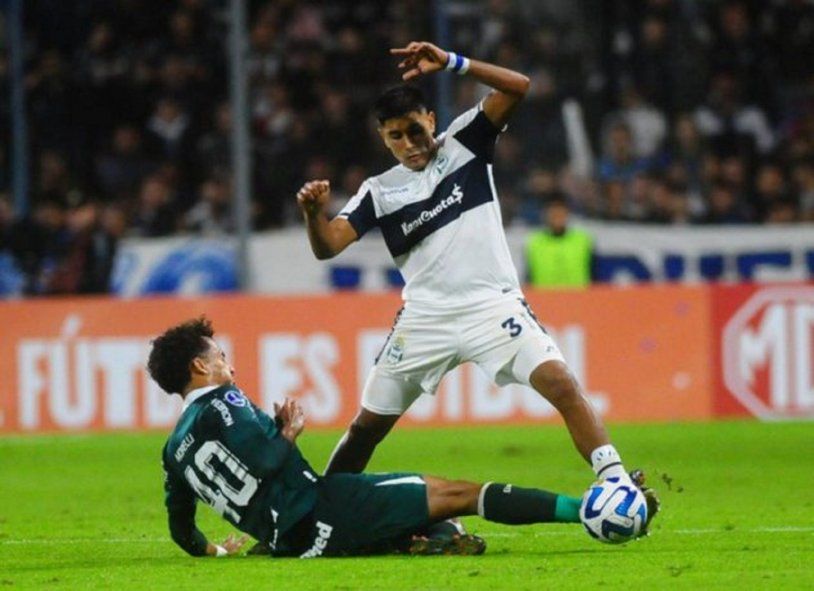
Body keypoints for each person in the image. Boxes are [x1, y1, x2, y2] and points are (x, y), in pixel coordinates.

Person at [296, 41, 641, 489]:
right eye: (395, 136)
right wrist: (312, 213)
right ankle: (320, 512)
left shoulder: (465, 144)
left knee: (560, 383)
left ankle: (616, 482)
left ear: (431, 121)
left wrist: (454, 64)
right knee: (366, 428)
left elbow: (519, 86)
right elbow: (328, 246)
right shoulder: (378, 192)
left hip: (492, 309)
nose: (409, 144)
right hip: (425, 319)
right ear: (383, 138)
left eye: (414, 130)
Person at [149, 317, 621, 559]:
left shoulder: (173, 450)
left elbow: (181, 531)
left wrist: (211, 550)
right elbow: (266, 460)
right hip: (321, 509)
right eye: (221, 356)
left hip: (289, 542)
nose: (229, 364)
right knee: (460, 494)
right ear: (199, 368)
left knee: (427, 518)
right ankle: (587, 511)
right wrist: (287, 434)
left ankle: (424, 538)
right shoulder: (225, 400)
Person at [526, 195, 593, 288]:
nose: (557, 217)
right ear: (545, 215)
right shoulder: (535, 242)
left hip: (578, 298)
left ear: (567, 213)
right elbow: (528, 276)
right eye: (553, 213)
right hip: (544, 299)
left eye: (560, 213)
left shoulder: (582, 240)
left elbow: (594, 275)